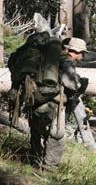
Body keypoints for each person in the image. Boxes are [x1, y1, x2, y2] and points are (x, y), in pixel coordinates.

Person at [28, 37, 89, 169]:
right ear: (76, 51)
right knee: (57, 136)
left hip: (35, 101)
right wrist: (80, 83)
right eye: (82, 53)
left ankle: (34, 162)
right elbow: (71, 84)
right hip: (55, 105)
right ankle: (50, 168)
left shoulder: (46, 59)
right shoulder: (67, 62)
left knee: (36, 132)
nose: (83, 55)